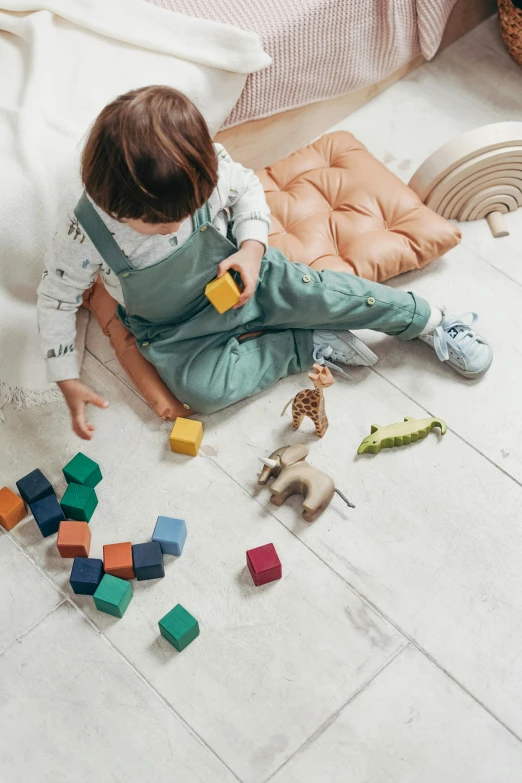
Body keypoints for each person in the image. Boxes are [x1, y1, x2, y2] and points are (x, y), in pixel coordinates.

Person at [37, 86, 493, 440]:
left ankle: (427, 320)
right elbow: (55, 300)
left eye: (180, 216)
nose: (168, 227)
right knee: (203, 392)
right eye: (152, 223)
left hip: (251, 280)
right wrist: (66, 379)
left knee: (329, 292)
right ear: (106, 199)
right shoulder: (84, 231)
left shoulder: (207, 172)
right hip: (174, 330)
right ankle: (304, 345)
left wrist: (251, 251)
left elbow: (247, 191)